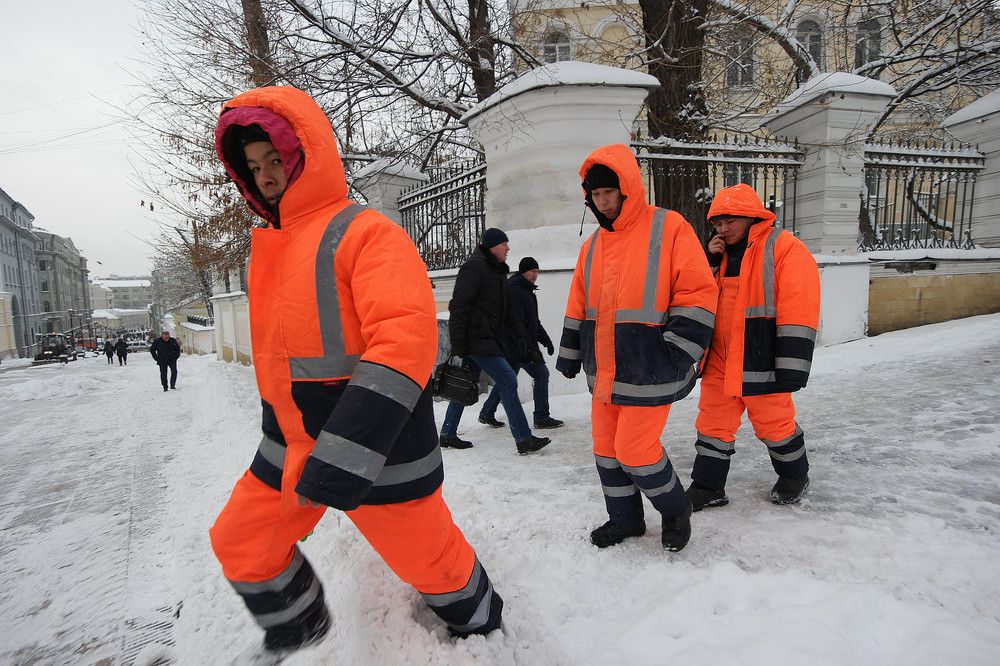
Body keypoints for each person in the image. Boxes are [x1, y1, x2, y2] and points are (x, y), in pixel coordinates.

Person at [209, 86, 503, 656]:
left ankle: (483, 628)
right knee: (240, 539)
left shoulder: (367, 233)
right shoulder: (270, 246)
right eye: (254, 167)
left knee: (431, 560)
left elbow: (403, 340)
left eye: (275, 159)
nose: (266, 175)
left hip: (376, 448)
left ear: (304, 153)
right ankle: (299, 629)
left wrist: (348, 451)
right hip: (291, 442)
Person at [555, 144, 717, 552]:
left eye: (610, 191)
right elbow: (579, 301)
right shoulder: (592, 245)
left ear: (627, 187)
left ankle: (676, 508)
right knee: (607, 452)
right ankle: (625, 521)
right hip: (605, 373)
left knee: (635, 449)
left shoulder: (669, 227)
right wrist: (572, 352)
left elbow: (697, 291)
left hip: (651, 367)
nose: (604, 200)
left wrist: (678, 350)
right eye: (595, 194)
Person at [687, 184, 820, 510]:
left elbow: (799, 302)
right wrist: (709, 262)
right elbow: (697, 296)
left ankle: (794, 475)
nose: (723, 228)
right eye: (717, 223)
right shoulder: (719, 254)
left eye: (730, 220)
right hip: (719, 356)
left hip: (761, 356)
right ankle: (708, 486)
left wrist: (791, 361)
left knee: (774, 422)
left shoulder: (784, 247)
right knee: (712, 422)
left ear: (751, 216)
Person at [439, 228, 551, 455]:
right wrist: (458, 341)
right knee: (508, 380)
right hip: (477, 338)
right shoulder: (474, 267)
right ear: (492, 246)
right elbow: (459, 305)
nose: (508, 248)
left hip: (489, 339)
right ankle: (523, 438)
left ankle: (448, 434)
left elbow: (508, 312)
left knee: (466, 383)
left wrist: (520, 338)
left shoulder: (497, 272)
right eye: (504, 244)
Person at [478, 256, 563, 431]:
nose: (535, 275)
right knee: (541, 375)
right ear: (523, 271)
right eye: (532, 271)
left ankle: (487, 412)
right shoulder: (516, 292)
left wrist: (546, 341)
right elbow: (515, 324)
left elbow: (534, 323)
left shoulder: (526, 291)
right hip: (518, 346)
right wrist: (528, 347)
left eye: (537, 271)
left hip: (516, 347)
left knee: (507, 378)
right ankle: (541, 416)